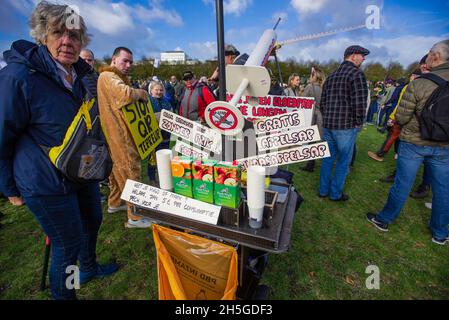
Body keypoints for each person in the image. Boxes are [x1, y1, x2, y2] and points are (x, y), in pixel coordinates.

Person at [0, 1, 118, 299]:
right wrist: (9, 188)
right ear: (43, 35)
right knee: (67, 246)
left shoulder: (81, 74)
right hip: (44, 181)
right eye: (58, 32)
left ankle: (88, 268)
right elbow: (1, 135)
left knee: (93, 222)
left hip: (81, 171)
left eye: (74, 35)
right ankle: (67, 293)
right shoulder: (19, 76)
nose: (67, 41)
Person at [367, 39, 449, 245]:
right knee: (443, 189)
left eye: (430, 53)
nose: (427, 56)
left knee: (402, 183)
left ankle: (384, 219)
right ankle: (439, 232)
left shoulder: (420, 83)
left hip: (414, 143)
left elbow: (402, 118)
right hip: (444, 146)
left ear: (436, 57)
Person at [97, 46, 153, 228]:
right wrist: (143, 93)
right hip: (120, 134)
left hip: (115, 132)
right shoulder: (108, 76)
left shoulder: (112, 77)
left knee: (117, 172)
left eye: (131, 62)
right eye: (125, 61)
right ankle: (135, 217)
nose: (128, 65)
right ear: (114, 60)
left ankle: (115, 203)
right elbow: (126, 94)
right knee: (131, 171)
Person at [318, 45, 370, 201]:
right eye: (362, 55)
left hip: (329, 125)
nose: (364, 58)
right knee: (342, 162)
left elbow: (323, 103)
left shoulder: (331, 76)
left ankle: (323, 190)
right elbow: (359, 104)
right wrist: (358, 123)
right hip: (345, 127)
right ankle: (335, 194)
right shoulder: (356, 74)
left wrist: (327, 119)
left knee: (327, 160)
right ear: (353, 56)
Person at [147, 81, 173, 185]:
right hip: (153, 135)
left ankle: (164, 177)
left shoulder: (166, 102)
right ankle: (152, 178)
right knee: (153, 158)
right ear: (151, 90)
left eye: (161, 90)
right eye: (156, 89)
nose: (159, 92)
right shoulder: (147, 102)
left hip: (165, 135)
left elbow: (171, 115)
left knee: (164, 157)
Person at [301, 66, 326, 172]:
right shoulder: (323, 87)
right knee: (315, 141)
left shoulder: (310, 86)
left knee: (311, 140)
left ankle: (310, 165)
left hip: (312, 116)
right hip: (320, 116)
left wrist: (301, 92)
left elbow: (302, 101)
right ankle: (311, 163)